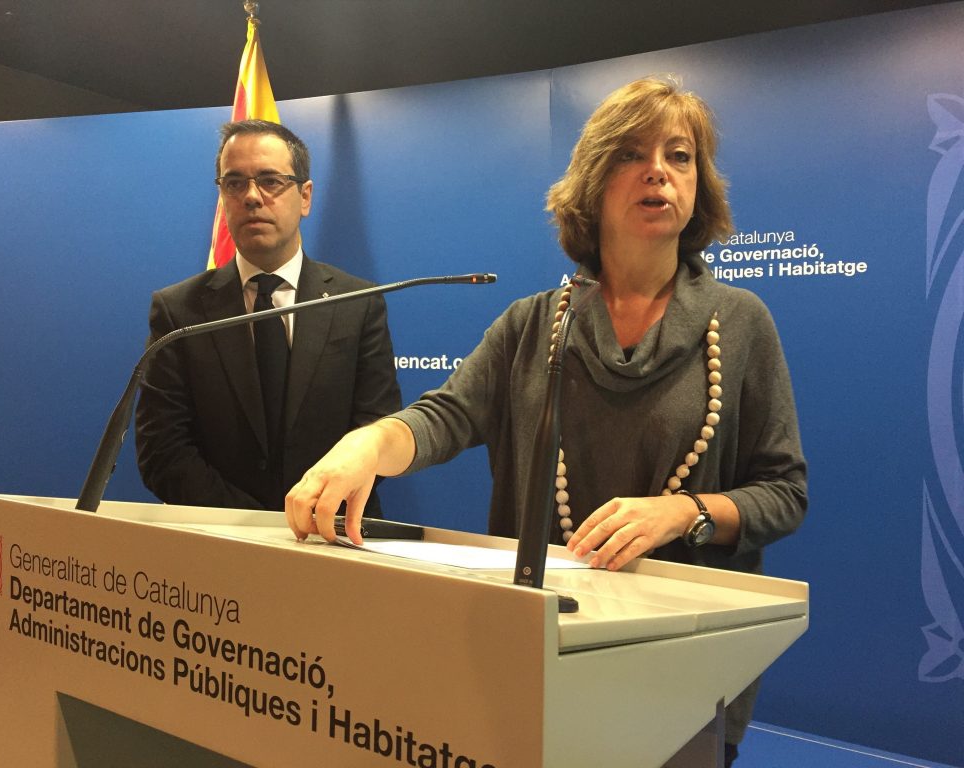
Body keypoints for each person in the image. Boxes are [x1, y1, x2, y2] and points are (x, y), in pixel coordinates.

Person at [285, 77, 807, 765]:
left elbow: (784, 492)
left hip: (680, 672)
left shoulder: (740, 323)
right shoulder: (534, 324)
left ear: (698, 185)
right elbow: (445, 416)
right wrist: (370, 443)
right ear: (593, 182)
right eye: (632, 153)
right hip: (541, 654)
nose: (658, 170)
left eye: (679, 155)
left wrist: (684, 513)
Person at [135, 119, 401, 516]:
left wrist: (310, 512)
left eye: (270, 181)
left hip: (330, 534)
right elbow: (163, 450)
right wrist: (253, 527)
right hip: (216, 539)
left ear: (305, 196)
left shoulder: (357, 302)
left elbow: (377, 430)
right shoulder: (178, 310)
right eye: (234, 183)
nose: (251, 197)